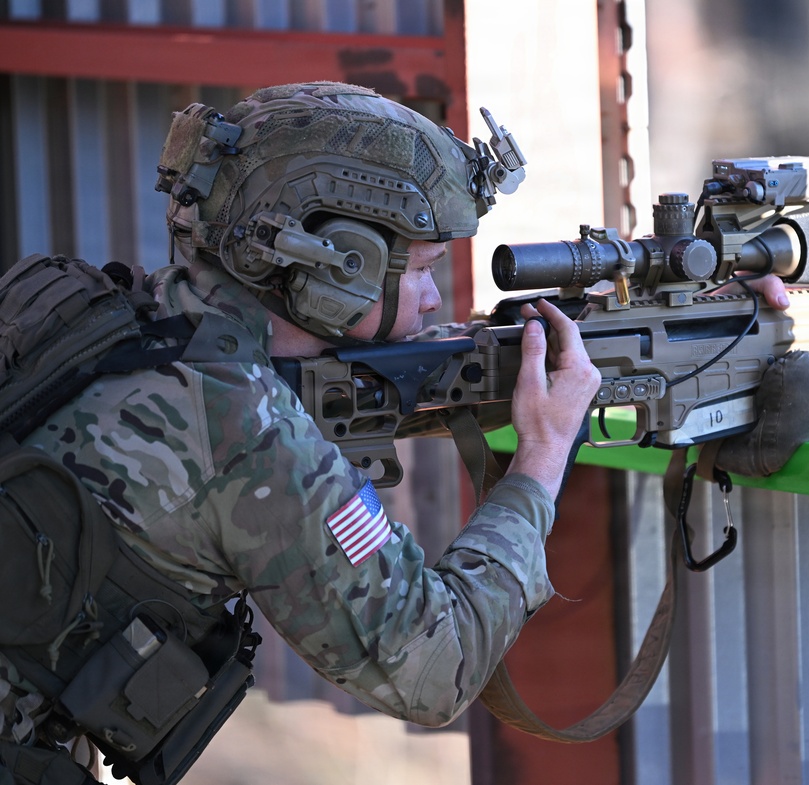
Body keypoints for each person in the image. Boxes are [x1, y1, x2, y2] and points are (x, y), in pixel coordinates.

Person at [0, 81, 608, 783]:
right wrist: (540, 460)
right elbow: (434, 667)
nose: (436, 297)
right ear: (339, 263)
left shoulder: (120, 312)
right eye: (419, 269)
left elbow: (345, 377)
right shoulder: (249, 434)